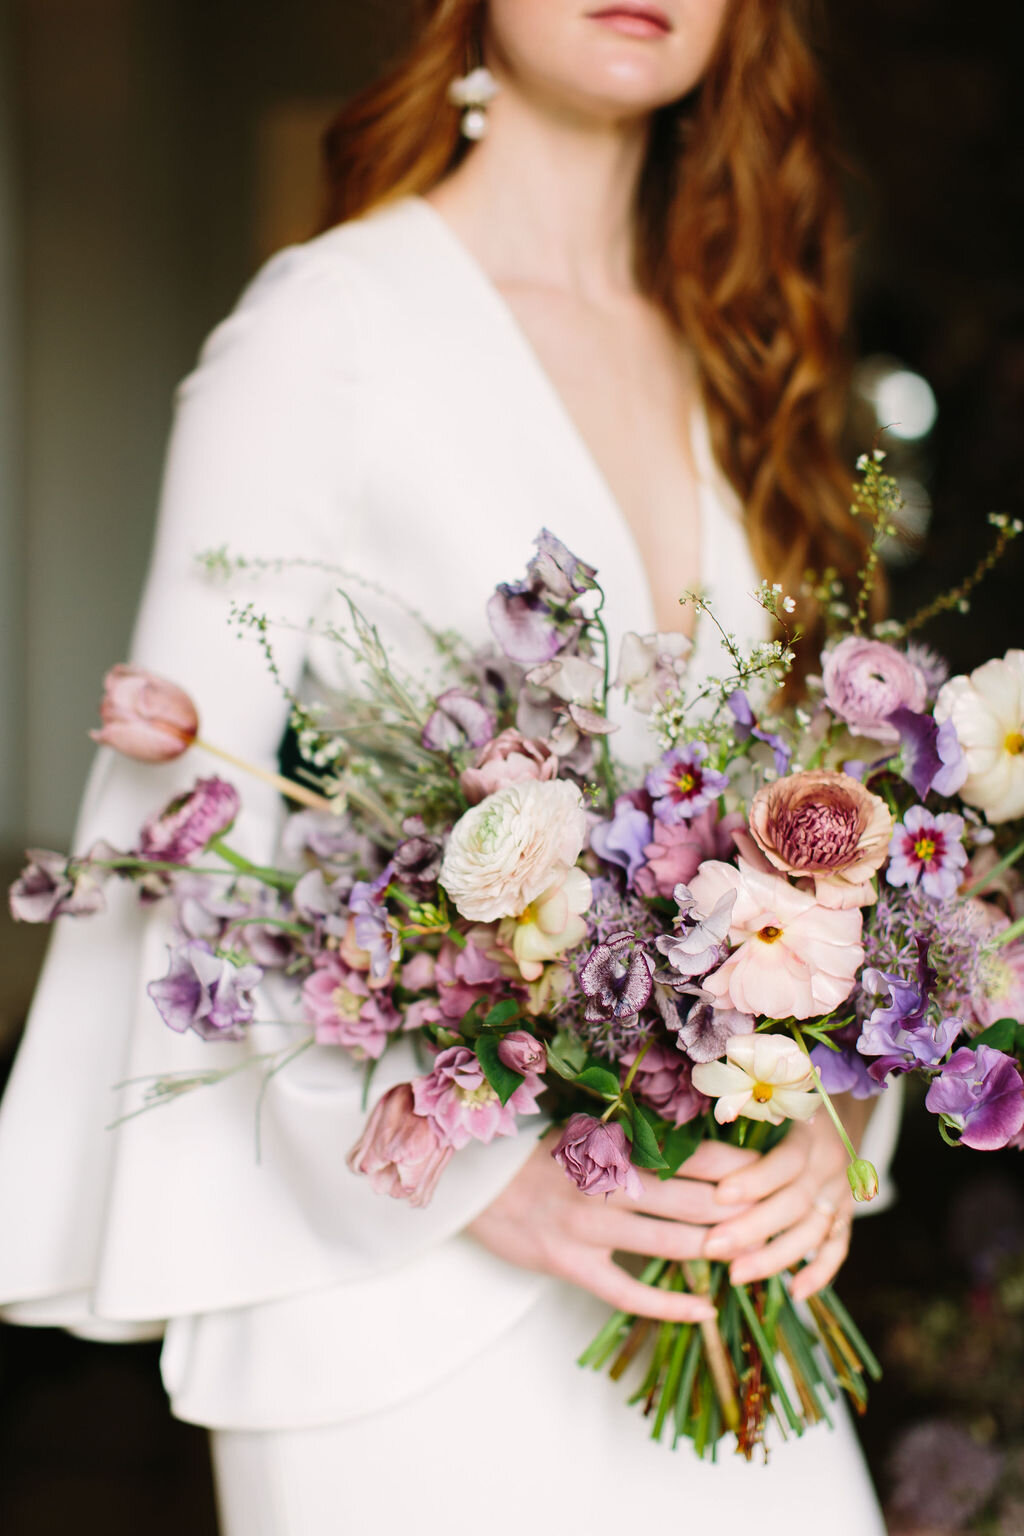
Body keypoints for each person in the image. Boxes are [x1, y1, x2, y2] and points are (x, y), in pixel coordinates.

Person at [0, 1, 900, 1531]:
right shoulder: (328, 325)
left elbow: (805, 831)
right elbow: (182, 823)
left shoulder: (732, 340)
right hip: (399, 1310)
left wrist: (823, 1126)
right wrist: (480, 1173)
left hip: (719, 1286)